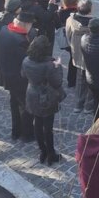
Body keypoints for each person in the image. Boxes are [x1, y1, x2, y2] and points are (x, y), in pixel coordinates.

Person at [22, 34, 65, 165]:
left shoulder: (26, 60)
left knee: (37, 123)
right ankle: (51, 153)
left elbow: (23, 75)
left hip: (31, 94)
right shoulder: (49, 65)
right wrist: (58, 67)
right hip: (46, 97)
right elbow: (57, 83)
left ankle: (43, 151)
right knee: (48, 126)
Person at [0, 10, 35, 141]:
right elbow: (27, 61)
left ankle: (16, 131)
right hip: (19, 79)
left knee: (14, 102)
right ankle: (27, 133)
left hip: (6, 74)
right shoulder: (21, 40)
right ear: (26, 25)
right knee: (26, 106)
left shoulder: (4, 30)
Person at [66, 0, 93, 113]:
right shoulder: (95, 23)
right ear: (90, 10)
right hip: (90, 55)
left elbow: (68, 35)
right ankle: (88, 106)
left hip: (77, 53)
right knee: (91, 80)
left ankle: (78, 104)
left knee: (80, 78)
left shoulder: (71, 20)